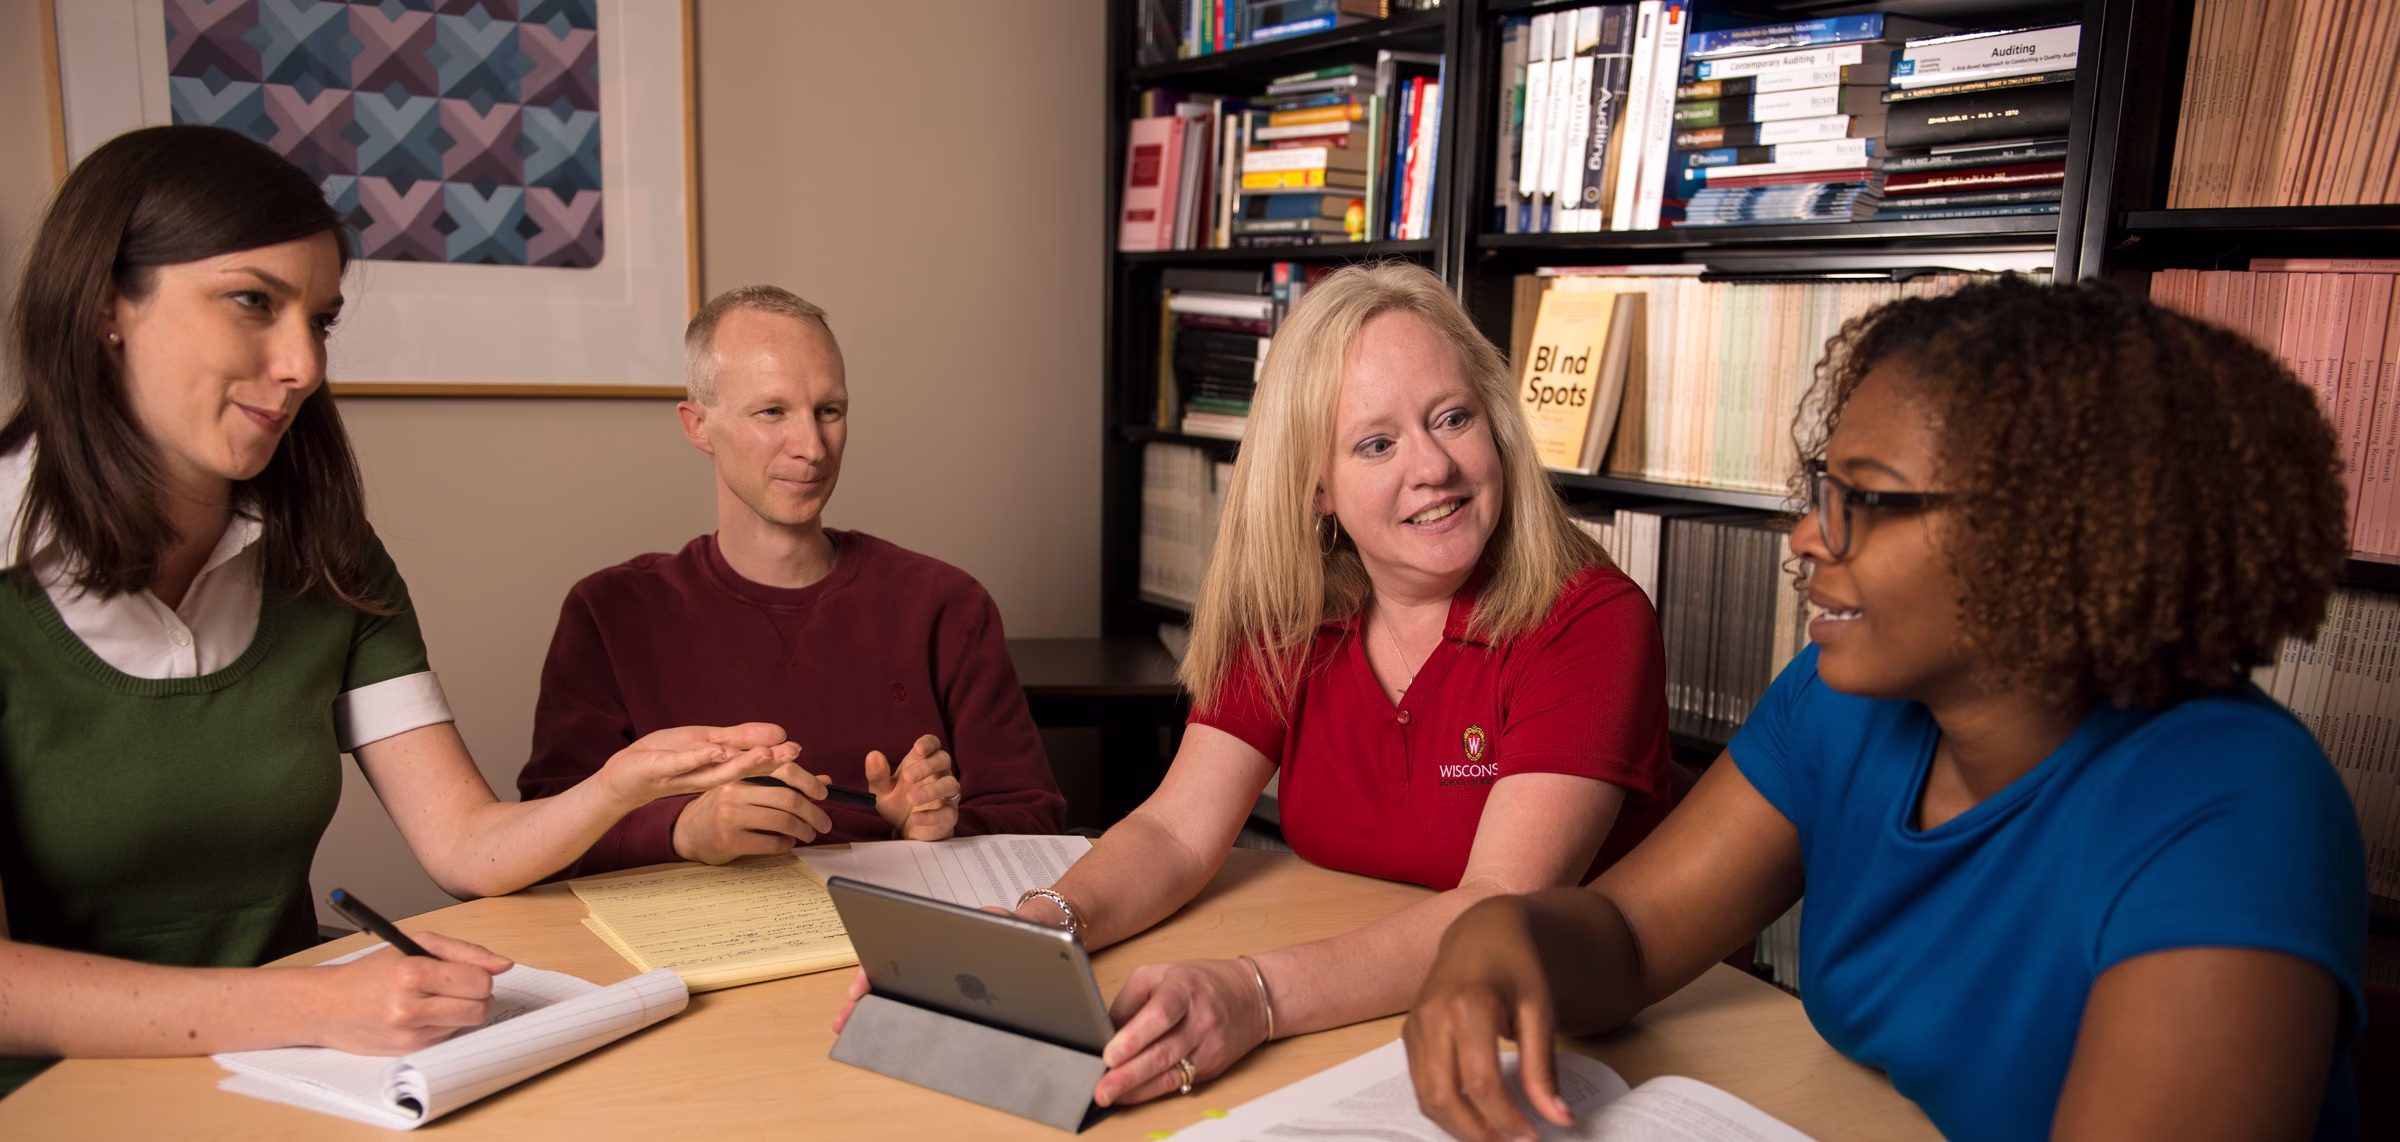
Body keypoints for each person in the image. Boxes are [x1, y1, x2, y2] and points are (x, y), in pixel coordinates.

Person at [1404, 275, 2366, 1142]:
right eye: (1825, 487)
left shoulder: (2235, 809)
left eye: (1866, 498)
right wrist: (1506, 935)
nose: (1808, 534)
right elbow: (1633, 937)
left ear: (2052, 534)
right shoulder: (1841, 703)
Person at [0, 125, 798, 1097]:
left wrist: (620, 784)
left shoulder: (325, 555)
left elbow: (464, 842)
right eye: (254, 302)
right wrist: (315, 1004)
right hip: (65, 1092)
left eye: (321, 320)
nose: (301, 364)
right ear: (102, 306)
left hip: (300, 1071)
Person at [834, 261, 1674, 1106]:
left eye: (1452, 418)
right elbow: (1174, 832)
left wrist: (1255, 994)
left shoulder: (1590, 620)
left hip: (1562, 1038)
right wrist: (1039, 930)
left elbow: (1501, 906)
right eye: (1376, 443)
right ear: (1316, 488)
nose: (1434, 467)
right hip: (1365, 1013)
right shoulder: (1292, 611)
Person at [515, 285, 1065, 875]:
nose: (811, 448)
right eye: (772, 412)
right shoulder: (609, 612)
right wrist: (682, 830)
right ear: (698, 426)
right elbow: (544, 828)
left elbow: (1033, 817)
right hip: (695, 944)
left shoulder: (947, 605)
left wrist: (937, 828)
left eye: (829, 411)